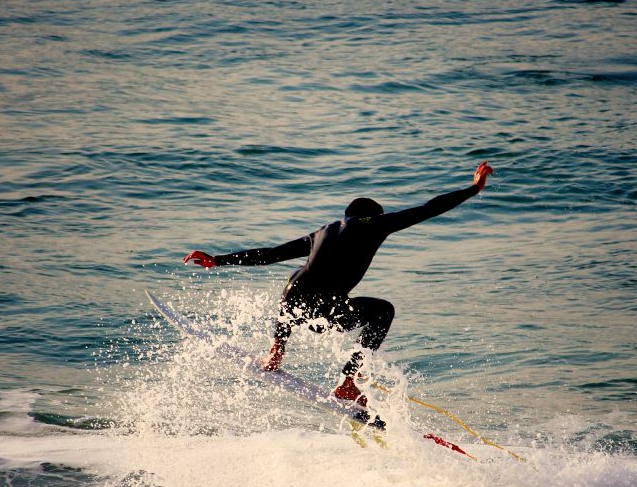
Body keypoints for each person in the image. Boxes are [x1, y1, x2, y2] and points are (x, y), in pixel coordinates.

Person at [183, 160, 493, 421]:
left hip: (297, 308)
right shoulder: (375, 224)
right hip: (328, 311)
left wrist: (218, 260)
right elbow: (428, 208)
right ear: (374, 215)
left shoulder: (321, 232)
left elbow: (270, 253)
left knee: (297, 277)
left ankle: (277, 349)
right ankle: (348, 382)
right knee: (383, 311)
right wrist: (473, 188)